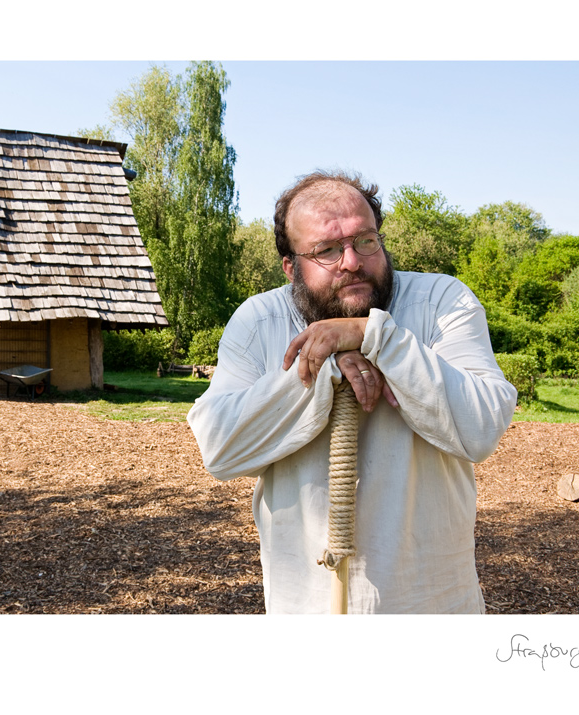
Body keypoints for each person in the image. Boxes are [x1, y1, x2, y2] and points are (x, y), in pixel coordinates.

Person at [187, 170, 517, 614]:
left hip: (430, 604)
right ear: (290, 266)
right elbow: (221, 447)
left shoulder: (442, 302)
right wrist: (323, 364)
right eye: (326, 250)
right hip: (305, 604)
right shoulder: (258, 321)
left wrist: (376, 336)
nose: (352, 261)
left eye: (365, 241)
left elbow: (481, 428)